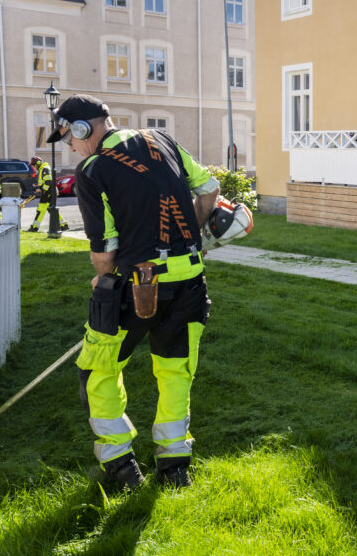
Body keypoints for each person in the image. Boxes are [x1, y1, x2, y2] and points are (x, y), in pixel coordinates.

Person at [47, 94, 220, 489]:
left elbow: (104, 250)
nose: (70, 148)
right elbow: (209, 189)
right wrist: (191, 234)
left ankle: (121, 467)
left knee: (97, 370)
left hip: (137, 284)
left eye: (69, 139)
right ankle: (175, 468)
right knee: (176, 370)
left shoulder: (92, 171)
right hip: (190, 278)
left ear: (81, 129)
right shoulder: (162, 139)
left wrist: (102, 281)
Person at [27, 156, 68, 232]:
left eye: (34, 164)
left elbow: (48, 182)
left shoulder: (44, 169)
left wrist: (41, 190)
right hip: (49, 192)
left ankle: (34, 227)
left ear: (38, 163)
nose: (33, 167)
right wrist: (40, 189)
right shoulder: (43, 168)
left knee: (42, 210)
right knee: (51, 210)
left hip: (48, 193)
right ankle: (64, 225)